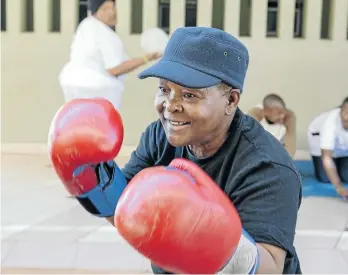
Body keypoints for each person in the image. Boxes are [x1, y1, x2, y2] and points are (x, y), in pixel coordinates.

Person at [49, 27, 302, 274]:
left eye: (190, 95)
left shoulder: (268, 167)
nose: (170, 105)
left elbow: (270, 267)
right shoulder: (160, 135)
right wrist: (90, 178)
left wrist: (212, 240)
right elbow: (124, 209)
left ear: (231, 100)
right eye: (164, 89)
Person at [59, 0, 161, 110]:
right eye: (106, 8)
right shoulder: (105, 33)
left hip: (71, 87)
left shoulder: (86, 25)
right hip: (97, 92)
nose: (112, 12)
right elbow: (114, 69)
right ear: (95, 12)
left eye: (113, 7)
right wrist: (147, 58)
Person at [307, 97, 348, 198]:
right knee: (326, 178)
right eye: (345, 112)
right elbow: (327, 158)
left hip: (343, 148)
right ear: (341, 109)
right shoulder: (330, 123)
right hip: (318, 140)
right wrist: (339, 187)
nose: (346, 117)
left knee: (346, 176)